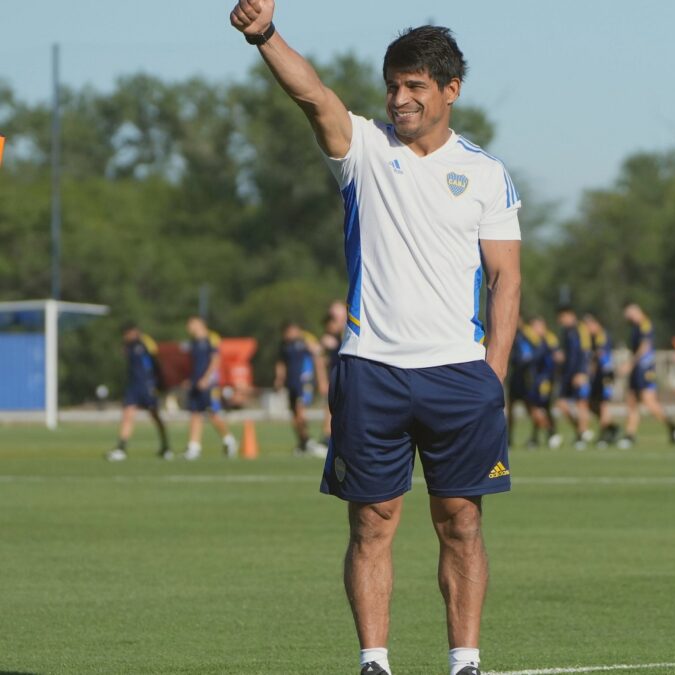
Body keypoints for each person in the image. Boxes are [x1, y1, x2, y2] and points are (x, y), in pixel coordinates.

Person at [231, 7, 522, 674]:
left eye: (415, 86)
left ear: (450, 90)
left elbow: (506, 278)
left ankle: (465, 661)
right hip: (372, 370)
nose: (400, 99)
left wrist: (494, 373)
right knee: (372, 521)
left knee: (462, 522)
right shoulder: (363, 148)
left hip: (459, 376)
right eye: (393, 86)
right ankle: (374, 661)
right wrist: (264, 36)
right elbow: (313, 95)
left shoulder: (486, 173)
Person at [107, 322, 171, 461]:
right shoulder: (128, 346)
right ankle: (121, 448)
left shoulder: (146, 342)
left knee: (155, 415)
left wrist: (159, 383)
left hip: (147, 386)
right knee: (128, 414)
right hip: (134, 386)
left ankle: (166, 446)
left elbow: (156, 362)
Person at [619, 303, 675, 449]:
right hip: (636, 368)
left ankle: (673, 427)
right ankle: (630, 435)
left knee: (648, 401)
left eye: (628, 314)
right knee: (631, 400)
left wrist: (630, 364)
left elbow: (645, 347)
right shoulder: (635, 327)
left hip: (645, 368)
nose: (627, 317)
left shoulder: (645, 324)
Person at [182, 316, 238, 460]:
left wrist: (207, 379)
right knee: (195, 413)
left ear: (200, 324)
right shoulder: (193, 342)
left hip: (209, 384)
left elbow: (215, 360)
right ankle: (194, 447)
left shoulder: (211, 338)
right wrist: (190, 379)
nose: (189, 327)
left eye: (191, 323)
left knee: (212, 413)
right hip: (196, 383)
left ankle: (229, 440)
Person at [274, 321, 328, 458]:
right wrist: (279, 378)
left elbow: (318, 356)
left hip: (304, 382)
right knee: (294, 416)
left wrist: (321, 379)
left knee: (300, 411)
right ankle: (303, 441)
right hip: (291, 383)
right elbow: (281, 363)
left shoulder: (305, 341)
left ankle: (309, 441)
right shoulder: (284, 345)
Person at [555, 305, 593, 450]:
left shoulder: (581, 329)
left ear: (570, 315)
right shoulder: (566, 331)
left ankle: (581, 436)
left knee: (581, 404)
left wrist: (582, 372)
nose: (561, 321)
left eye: (562, 317)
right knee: (561, 403)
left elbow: (586, 351)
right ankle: (580, 430)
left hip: (579, 372)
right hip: (567, 373)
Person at [523, 316, 560, 449]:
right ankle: (538, 436)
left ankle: (552, 433)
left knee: (541, 407)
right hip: (536, 380)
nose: (535, 329)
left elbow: (553, 358)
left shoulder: (548, 340)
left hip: (545, 380)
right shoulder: (535, 340)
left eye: (537, 326)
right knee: (539, 408)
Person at [583, 313, 620, 447]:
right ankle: (612, 427)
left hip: (605, 374)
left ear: (596, 324)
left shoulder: (601, 336)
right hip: (598, 376)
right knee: (592, 404)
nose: (587, 329)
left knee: (603, 404)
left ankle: (604, 435)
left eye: (588, 325)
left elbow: (600, 356)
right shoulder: (592, 338)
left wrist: (590, 368)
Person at [506, 321, 538, 447]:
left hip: (525, 378)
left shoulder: (526, 334)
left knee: (531, 408)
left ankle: (536, 436)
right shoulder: (512, 332)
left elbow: (528, 356)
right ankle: (509, 438)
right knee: (510, 409)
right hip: (516, 377)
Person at [320, 303, 347, 446]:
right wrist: (322, 380)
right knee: (331, 407)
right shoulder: (329, 340)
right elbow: (321, 360)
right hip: (336, 379)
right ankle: (327, 437)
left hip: (347, 378)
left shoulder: (346, 336)